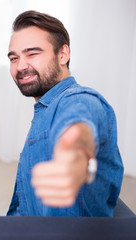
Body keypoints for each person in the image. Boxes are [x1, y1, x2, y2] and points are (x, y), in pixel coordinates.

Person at [7, 10, 123, 217]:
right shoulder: (44, 107)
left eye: (32, 53)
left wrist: (76, 156)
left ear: (63, 54)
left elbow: (79, 124)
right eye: (14, 58)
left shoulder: (79, 99)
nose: (21, 66)